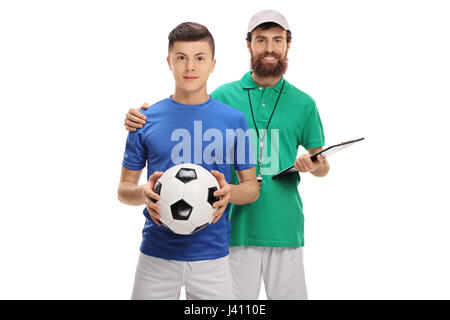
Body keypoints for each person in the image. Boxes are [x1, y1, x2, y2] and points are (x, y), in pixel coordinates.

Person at [124, 10, 330, 300]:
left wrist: (314, 166)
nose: (269, 47)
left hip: (284, 228)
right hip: (230, 233)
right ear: (249, 45)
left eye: (277, 40)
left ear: (288, 45)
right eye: (261, 40)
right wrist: (138, 118)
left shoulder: (304, 103)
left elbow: (322, 164)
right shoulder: (223, 97)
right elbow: (187, 107)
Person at [117, 22, 259, 300]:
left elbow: (252, 188)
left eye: (200, 58)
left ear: (213, 64)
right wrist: (142, 193)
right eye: (181, 57)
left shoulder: (234, 120)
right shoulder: (144, 120)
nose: (190, 66)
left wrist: (230, 193)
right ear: (169, 62)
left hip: (214, 259)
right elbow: (123, 189)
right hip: (156, 257)